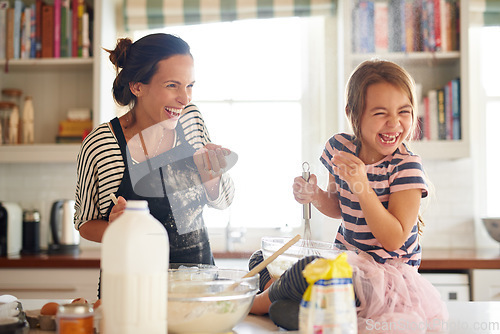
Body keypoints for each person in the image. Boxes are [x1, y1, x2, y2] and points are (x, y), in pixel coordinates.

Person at [249, 59, 447, 332]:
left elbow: (393, 239)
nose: (394, 123)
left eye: (404, 111)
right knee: (262, 258)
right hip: (345, 265)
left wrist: (362, 186)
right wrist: (314, 195)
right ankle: (289, 302)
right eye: (380, 113)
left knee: (310, 267)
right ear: (353, 113)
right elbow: (338, 207)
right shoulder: (339, 148)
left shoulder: (407, 167)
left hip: (384, 281)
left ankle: (255, 303)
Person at [74, 33, 235, 295]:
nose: (185, 98)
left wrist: (212, 177)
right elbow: (85, 223)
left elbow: (224, 200)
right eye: (172, 85)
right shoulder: (103, 144)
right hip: (130, 290)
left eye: (190, 85)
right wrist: (117, 229)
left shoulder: (191, 121)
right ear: (137, 86)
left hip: (196, 288)